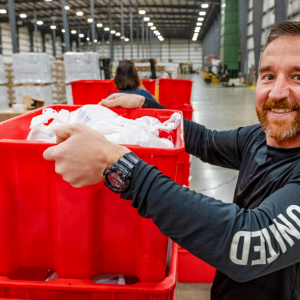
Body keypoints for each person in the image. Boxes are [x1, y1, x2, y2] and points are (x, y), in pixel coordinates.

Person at [43, 21, 300, 299]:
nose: (277, 93)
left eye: (297, 77)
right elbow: (204, 140)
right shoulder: (256, 138)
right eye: (268, 76)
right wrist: (148, 107)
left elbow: (248, 243)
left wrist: (119, 165)